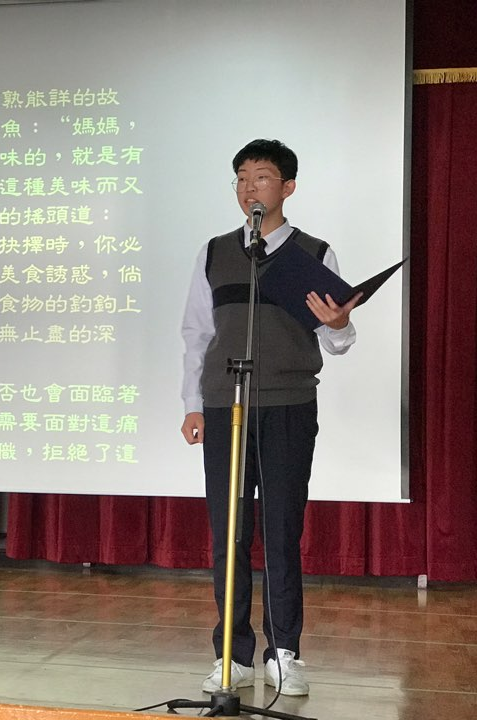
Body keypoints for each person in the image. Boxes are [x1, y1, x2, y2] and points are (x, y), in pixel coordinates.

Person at [180, 139, 361, 697]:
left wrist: (338, 325)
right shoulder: (215, 252)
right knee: (228, 532)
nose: (248, 188)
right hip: (225, 406)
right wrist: (192, 403)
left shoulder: (313, 253)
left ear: (287, 187)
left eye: (260, 177)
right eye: (240, 178)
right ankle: (231, 656)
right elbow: (197, 334)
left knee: (282, 530)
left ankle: (284, 652)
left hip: (287, 406)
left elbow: (338, 340)